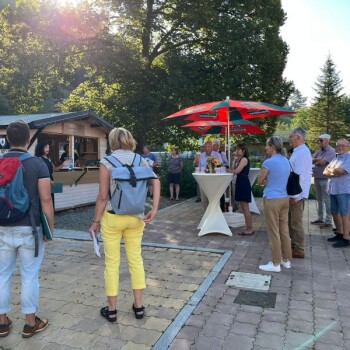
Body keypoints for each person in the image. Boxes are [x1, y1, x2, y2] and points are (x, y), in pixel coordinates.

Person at [89, 128, 160, 322]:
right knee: (135, 260)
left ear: (112, 142)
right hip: (136, 217)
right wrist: (153, 208)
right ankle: (138, 307)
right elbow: (156, 181)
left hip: (113, 217)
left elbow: (103, 196)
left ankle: (111, 310)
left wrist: (95, 222)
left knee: (112, 263)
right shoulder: (141, 160)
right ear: (130, 140)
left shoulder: (106, 162)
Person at [0, 121, 53, 338]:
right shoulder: (38, 164)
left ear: (8, 139)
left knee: (2, 274)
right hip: (30, 229)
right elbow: (46, 199)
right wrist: (49, 228)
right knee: (29, 275)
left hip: (2, 227)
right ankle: (30, 323)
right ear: (29, 140)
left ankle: (2, 322)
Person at [258, 136, 291, 272]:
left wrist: (266, 181)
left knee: (273, 232)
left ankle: (276, 263)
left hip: (272, 199)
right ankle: (286, 260)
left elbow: (260, 180)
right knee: (284, 230)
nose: (265, 148)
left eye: (267, 145)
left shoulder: (268, 162)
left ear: (272, 147)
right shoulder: (286, 161)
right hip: (284, 199)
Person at [288, 127, 312, 259]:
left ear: (298, 137)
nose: (289, 139)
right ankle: (293, 246)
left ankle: (299, 248)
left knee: (296, 223)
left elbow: (299, 176)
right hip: (295, 193)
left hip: (297, 194)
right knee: (292, 222)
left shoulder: (302, 152)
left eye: (291, 136)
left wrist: (295, 196)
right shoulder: (299, 151)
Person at [323, 139, 350, 247]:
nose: (340, 147)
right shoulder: (336, 157)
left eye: (343, 145)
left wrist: (332, 170)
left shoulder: (348, 158)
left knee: (345, 213)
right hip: (333, 189)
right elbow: (325, 172)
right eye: (338, 145)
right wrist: (335, 170)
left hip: (344, 190)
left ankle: (346, 238)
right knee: (334, 211)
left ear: (348, 146)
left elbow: (340, 171)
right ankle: (340, 232)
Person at [311, 134, 336, 228]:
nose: (319, 142)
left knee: (327, 199)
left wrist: (317, 161)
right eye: (318, 140)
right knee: (319, 199)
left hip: (326, 178)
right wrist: (317, 160)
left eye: (321, 140)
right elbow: (311, 160)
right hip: (317, 177)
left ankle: (328, 220)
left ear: (327, 140)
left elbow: (322, 162)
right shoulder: (320, 151)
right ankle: (320, 218)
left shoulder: (331, 151)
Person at [35, 142, 69, 209]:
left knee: (51, 199)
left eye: (48, 147)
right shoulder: (38, 159)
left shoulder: (49, 159)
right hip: (44, 182)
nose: (48, 149)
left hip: (51, 181)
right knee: (44, 200)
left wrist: (63, 164)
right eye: (46, 147)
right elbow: (38, 173)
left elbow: (55, 169)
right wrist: (49, 180)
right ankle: (43, 217)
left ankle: (50, 215)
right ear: (41, 148)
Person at [233, 143, 253, 235]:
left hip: (243, 183)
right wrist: (234, 160)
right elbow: (234, 168)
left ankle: (249, 228)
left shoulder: (244, 159)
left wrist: (230, 170)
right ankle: (248, 227)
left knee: (245, 208)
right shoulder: (240, 159)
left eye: (238, 149)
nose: (237, 151)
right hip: (241, 182)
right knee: (243, 207)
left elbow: (237, 171)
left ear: (243, 151)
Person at [198, 141, 223, 209]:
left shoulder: (217, 154)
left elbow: (220, 165)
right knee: (204, 199)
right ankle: (207, 215)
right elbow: (199, 167)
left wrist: (212, 163)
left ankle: (215, 214)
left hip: (214, 180)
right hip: (204, 180)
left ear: (212, 147)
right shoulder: (201, 155)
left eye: (208, 147)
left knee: (214, 199)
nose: (207, 148)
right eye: (205, 147)